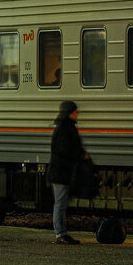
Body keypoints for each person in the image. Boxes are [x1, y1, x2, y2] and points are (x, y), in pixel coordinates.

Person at [48, 100, 89, 245]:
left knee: (62, 202)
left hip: (62, 171)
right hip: (60, 172)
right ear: (69, 113)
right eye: (75, 111)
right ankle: (60, 233)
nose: (77, 113)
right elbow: (65, 149)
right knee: (60, 203)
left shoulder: (66, 127)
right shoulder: (64, 129)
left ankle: (62, 232)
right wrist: (80, 154)